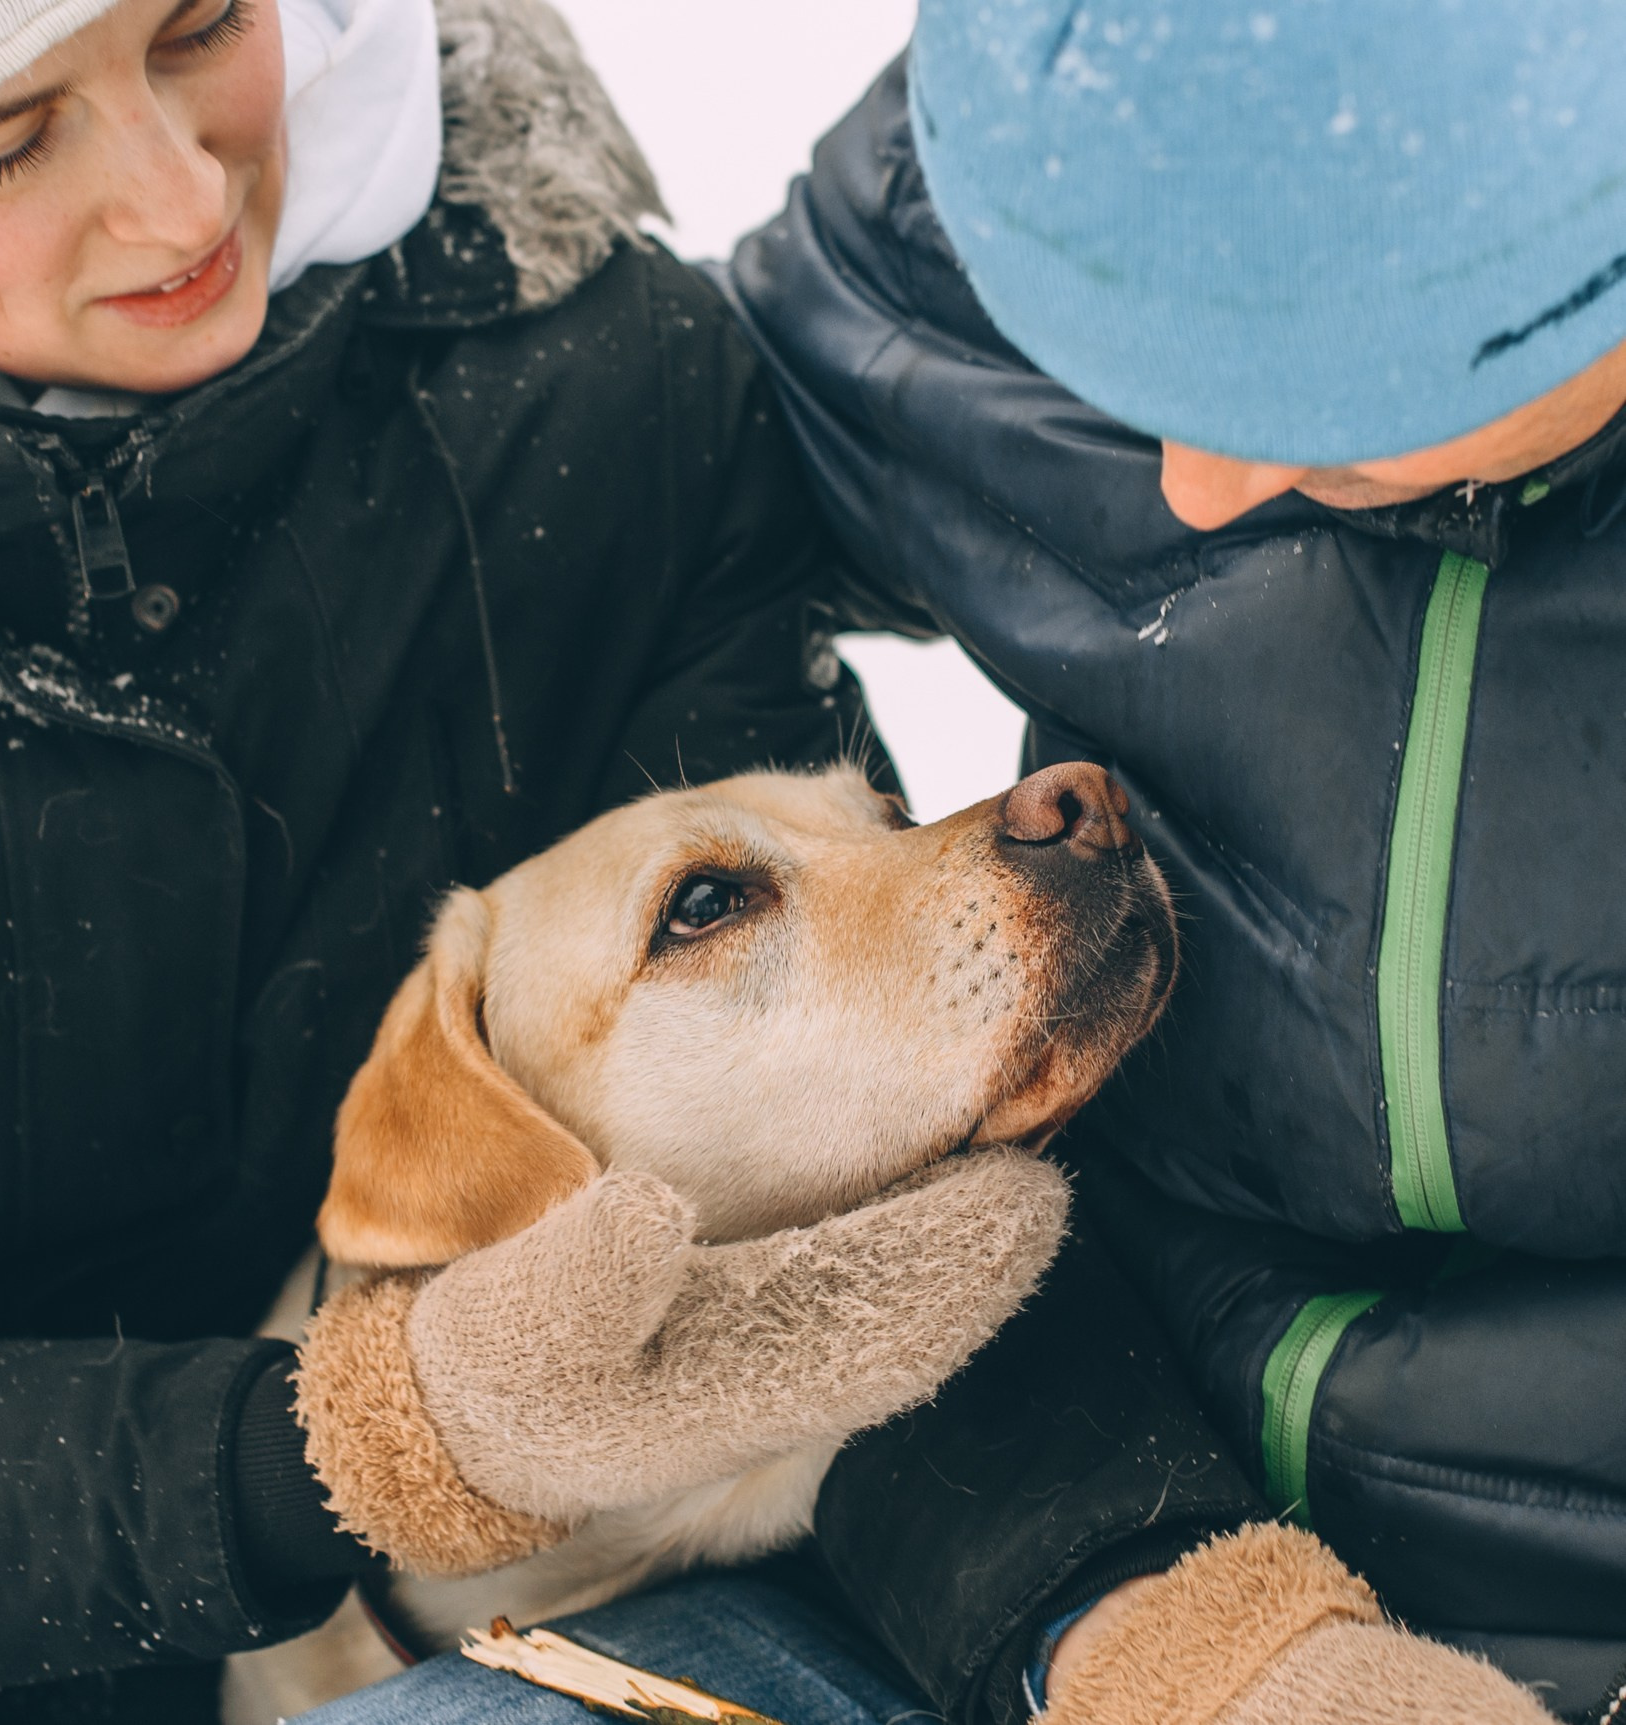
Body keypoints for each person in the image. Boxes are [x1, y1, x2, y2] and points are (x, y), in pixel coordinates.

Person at [0, 0, 1068, 1720]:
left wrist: (1132, 1613)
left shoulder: (596, 387)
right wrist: (362, 1439)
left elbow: (893, 1114)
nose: (183, 199)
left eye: (203, 24)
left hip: (595, 1599)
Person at [717, 3, 1626, 1723]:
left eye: (1338, 409)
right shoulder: (989, 196)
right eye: (1121, 375)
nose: (1199, 489)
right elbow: (616, 513)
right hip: (1036, 1517)